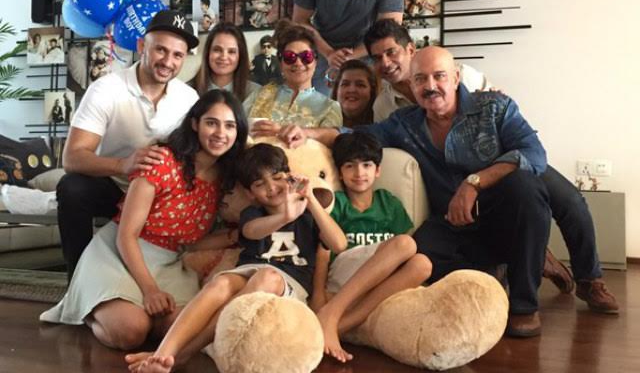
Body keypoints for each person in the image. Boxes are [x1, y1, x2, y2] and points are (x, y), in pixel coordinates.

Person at [278, 47, 555, 337]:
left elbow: (533, 154)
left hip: (501, 216)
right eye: (420, 79)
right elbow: (356, 136)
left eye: (439, 76)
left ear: (456, 78)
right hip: (450, 222)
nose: (430, 86)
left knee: (527, 187)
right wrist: (308, 133)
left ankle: (524, 305)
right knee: (413, 262)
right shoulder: (405, 123)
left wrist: (474, 183)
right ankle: (489, 271)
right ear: (411, 84)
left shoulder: (495, 106)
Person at [363, 19, 619, 315]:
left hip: (502, 159)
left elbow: (508, 123)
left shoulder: (468, 77)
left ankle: (589, 279)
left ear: (410, 50)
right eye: (377, 57)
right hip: (451, 177)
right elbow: (377, 135)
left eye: (391, 52)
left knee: (565, 199)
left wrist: (476, 180)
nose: (385, 62)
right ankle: (518, 260)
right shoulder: (385, 105)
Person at [41, 90, 248, 350]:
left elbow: (192, 243)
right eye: (211, 123)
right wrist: (150, 291)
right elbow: (126, 235)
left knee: (179, 328)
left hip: (171, 262)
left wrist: (239, 235)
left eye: (229, 126)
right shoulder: (160, 160)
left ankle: (134, 313)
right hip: (120, 252)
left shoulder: (226, 178)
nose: (220, 133)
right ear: (195, 124)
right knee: (131, 331)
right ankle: (85, 309)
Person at [129, 143, 347, 373]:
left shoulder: (309, 214)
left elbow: (339, 244)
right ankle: (163, 353)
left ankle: (185, 353)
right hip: (247, 273)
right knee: (220, 283)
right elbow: (252, 231)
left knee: (267, 277)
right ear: (250, 193)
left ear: (289, 177)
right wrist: (284, 217)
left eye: (277, 178)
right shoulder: (252, 214)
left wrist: (309, 198)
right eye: (260, 184)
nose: (271, 188)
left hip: (288, 284)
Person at [56, 10, 200, 280]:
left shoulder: (189, 98)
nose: (168, 61)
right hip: (115, 188)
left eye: (177, 55)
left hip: (159, 196)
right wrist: (123, 164)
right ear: (142, 46)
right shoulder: (106, 89)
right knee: (71, 187)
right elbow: (72, 158)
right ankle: (78, 281)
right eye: (160, 50)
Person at [312, 131, 432, 362]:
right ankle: (331, 312)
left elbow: (403, 256)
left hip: (377, 280)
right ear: (340, 172)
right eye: (350, 166)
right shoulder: (337, 204)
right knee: (405, 244)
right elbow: (323, 253)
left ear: (377, 170)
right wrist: (318, 295)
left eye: (366, 165)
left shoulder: (389, 202)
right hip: (343, 277)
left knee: (423, 265)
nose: (359, 173)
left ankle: (341, 326)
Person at [244, 24, 342, 136]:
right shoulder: (260, 95)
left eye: (306, 56)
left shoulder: (329, 107)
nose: (298, 63)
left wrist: (283, 131)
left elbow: (333, 140)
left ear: (315, 62)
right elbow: (237, 126)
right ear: (281, 63)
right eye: (290, 57)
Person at [193, 23, 259, 102]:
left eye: (231, 51)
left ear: (241, 55)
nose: (224, 57)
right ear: (208, 53)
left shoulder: (256, 94)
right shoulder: (187, 92)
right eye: (217, 50)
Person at [330, 59, 378, 127]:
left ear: (371, 91)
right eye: (345, 84)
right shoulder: (319, 122)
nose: (352, 90)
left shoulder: (382, 124)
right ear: (336, 91)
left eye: (360, 85)